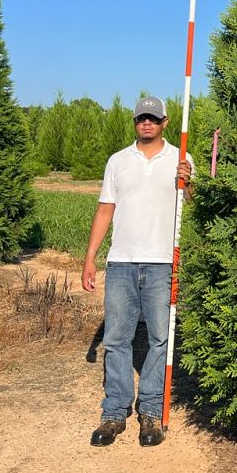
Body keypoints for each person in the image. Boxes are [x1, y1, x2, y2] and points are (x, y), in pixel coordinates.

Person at [82, 96, 193, 447]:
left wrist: (187, 183)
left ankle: (150, 413)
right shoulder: (118, 161)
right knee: (116, 339)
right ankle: (115, 412)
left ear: (165, 122)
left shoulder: (180, 158)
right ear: (135, 122)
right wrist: (90, 258)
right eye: (141, 118)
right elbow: (105, 210)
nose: (147, 123)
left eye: (154, 118)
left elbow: (193, 203)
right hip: (121, 263)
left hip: (163, 264)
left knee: (161, 339)